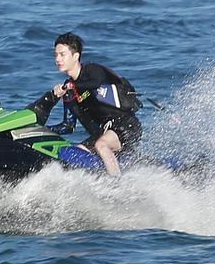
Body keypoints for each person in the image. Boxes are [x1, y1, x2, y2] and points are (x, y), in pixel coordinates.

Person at [28, 32, 142, 176]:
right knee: (76, 152)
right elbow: (68, 126)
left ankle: (118, 184)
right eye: (55, 55)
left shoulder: (92, 70)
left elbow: (97, 82)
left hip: (126, 125)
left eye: (62, 54)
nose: (58, 59)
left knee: (101, 145)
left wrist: (72, 87)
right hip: (105, 131)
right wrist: (39, 131)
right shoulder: (69, 90)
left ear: (75, 56)